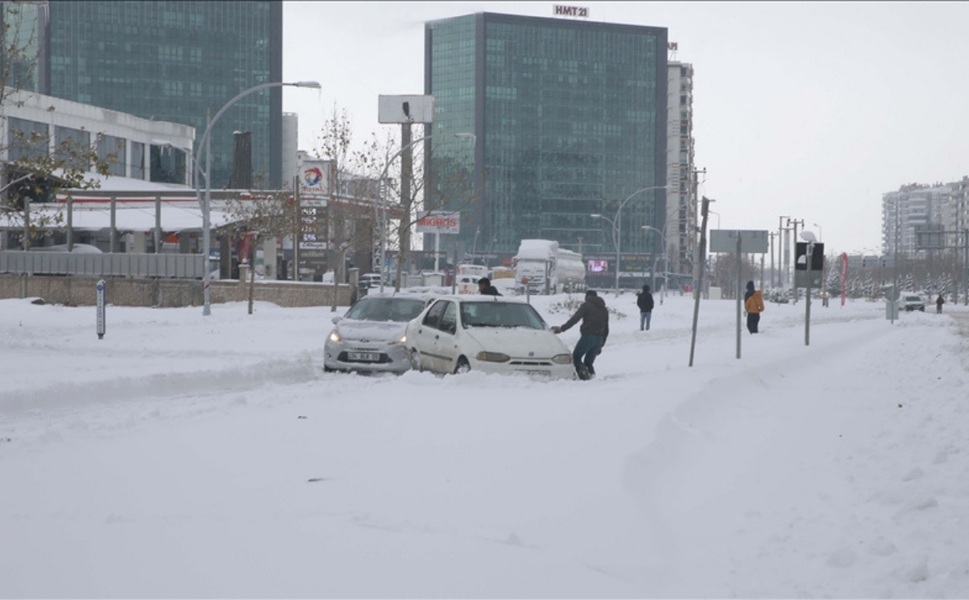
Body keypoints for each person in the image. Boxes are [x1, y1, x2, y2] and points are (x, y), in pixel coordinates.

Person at [551, 290, 609, 380]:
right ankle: (592, 378)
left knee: (576, 357)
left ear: (588, 296)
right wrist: (601, 345)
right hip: (599, 338)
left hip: (588, 336)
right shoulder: (604, 309)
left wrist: (562, 328)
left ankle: (584, 378)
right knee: (589, 362)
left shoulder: (587, 305)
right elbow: (606, 328)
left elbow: (576, 318)